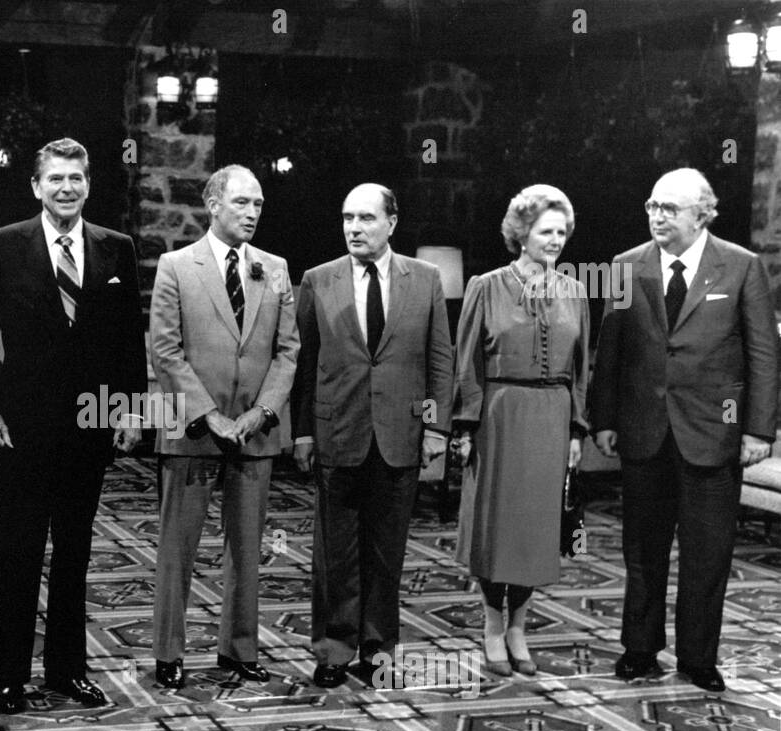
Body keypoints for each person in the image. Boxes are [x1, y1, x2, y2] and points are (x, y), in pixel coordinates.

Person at [590, 167, 778, 693]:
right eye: (652, 207)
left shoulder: (741, 267)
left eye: (669, 209)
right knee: (642, 549)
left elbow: (763, 355)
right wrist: (602, 420)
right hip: (644, 432)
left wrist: (759, 429)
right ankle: (639, 648)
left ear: (703, 214)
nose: (657, 216)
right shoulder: (626, 267)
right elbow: (611, 351)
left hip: (713, 434)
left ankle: (698, 657)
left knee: (708, 553)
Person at [0, 138, 145, 713]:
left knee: (75, 553)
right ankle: (10, 679)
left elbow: (129, 341)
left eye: (76, 178)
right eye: (55, 179)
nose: (66, 188)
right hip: (21, 427)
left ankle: (68, 671)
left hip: (89, 428)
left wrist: (131, 408)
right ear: (36, 186)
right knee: (17, 551)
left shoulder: (116, 248)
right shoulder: (2, 246)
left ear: (89, 185)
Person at [291, 183, 453, 688]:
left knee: (387, 552)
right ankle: (334, 648)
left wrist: (435, 427)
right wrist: (302, 435)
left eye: (365, 218)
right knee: (336, 552)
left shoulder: (426, 279)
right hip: (338, 433)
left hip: (400, 435)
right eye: (347, 218)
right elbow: (305, 363)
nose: (354, 228)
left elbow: (439, 361)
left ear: (392, 223)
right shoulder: (318, 280)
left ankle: (378, 648)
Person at [150, 164, 298, 690]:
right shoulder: (175, 265)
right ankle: (168, 653)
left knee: (248, 549)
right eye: (242, 203)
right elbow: (165, 350)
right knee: (178, 548)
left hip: (254, 432)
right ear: (214, 204)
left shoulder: (275, 267)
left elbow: (288, 350)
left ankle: (239, 650)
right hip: (193, 430)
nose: (252, 213)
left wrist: (262, 411)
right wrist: (209, 415)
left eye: (258, 204)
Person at [452, 185, 589, 678]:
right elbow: (466, 362)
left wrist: (577, 430)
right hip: (499, 416)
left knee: (535, 530)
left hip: (552, 419)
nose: (554, 240)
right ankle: (492, 625)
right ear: (521, 234)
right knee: (496, 529)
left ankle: (519, 628)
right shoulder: (485, 287)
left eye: (560, 232)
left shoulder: (575, 291)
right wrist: (464, 426)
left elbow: (581, 367)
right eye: (544, 231)